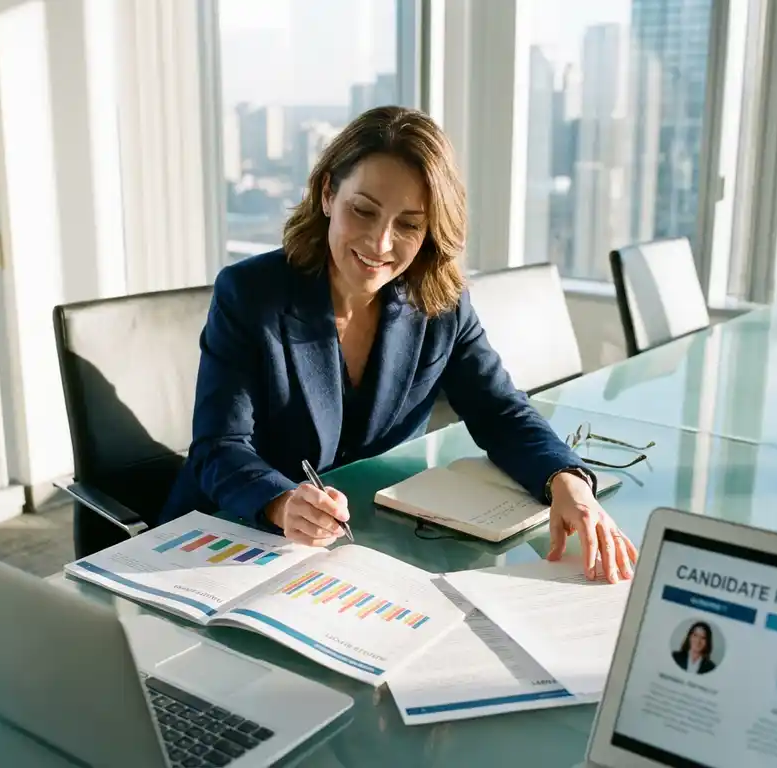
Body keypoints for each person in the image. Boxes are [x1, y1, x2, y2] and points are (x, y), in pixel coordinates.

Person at [162, 106, 638, 583]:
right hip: (225, 543)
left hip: (364, 550)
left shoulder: (440, 302)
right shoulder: (249, 294)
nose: (380, 243)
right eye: (363, 210)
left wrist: (566, 481)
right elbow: (219, 447)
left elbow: (499, 411)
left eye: (409, 224)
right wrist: (281, 502)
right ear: (328, 194)